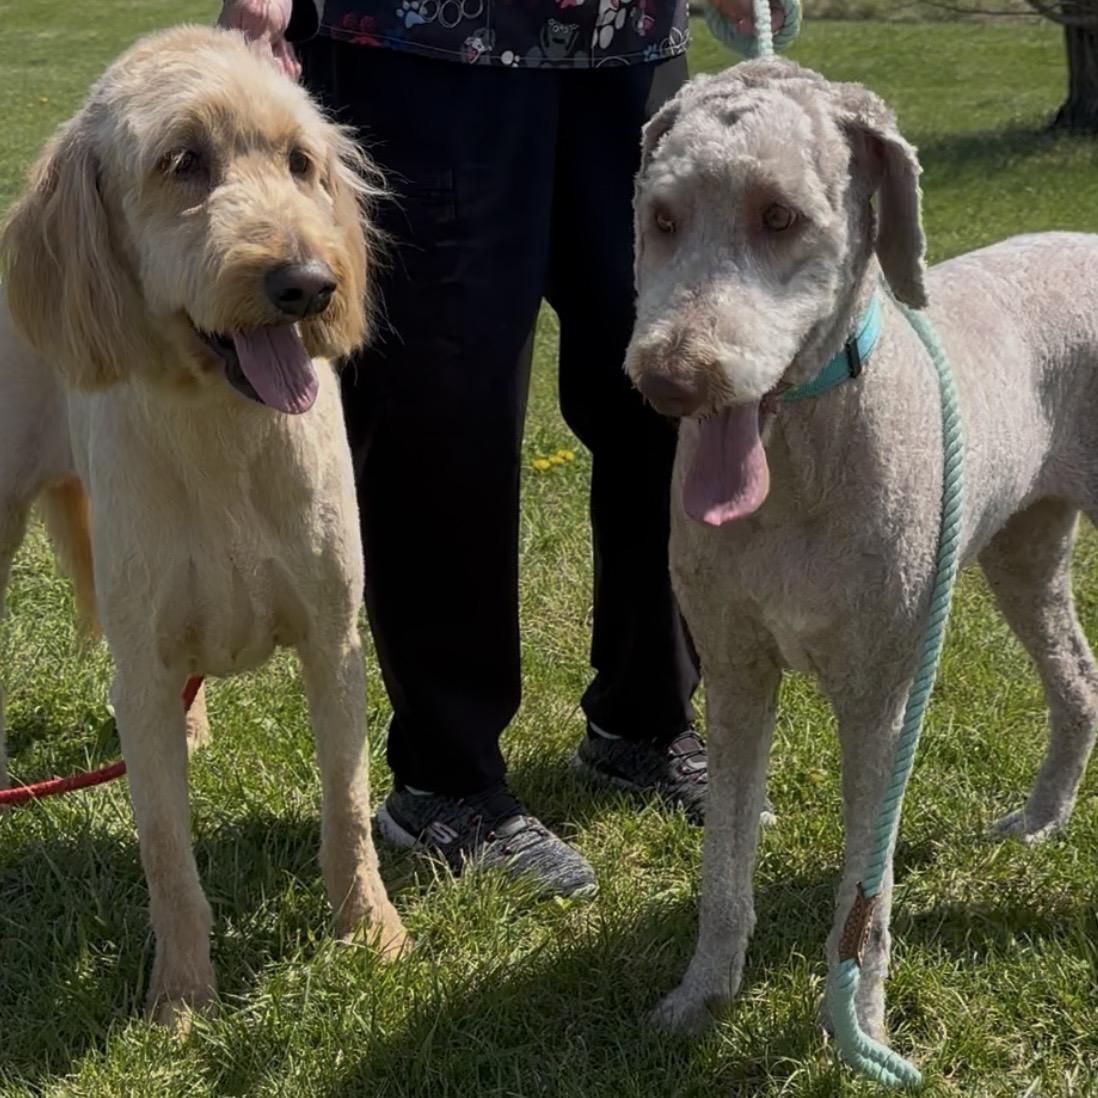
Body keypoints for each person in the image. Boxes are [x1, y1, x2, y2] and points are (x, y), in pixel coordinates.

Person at [219, 0, 780, 899]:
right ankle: (446, 782)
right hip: (429, 43)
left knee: (668, 379)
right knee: (446, 412)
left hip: (626, 44)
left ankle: (644, 719)